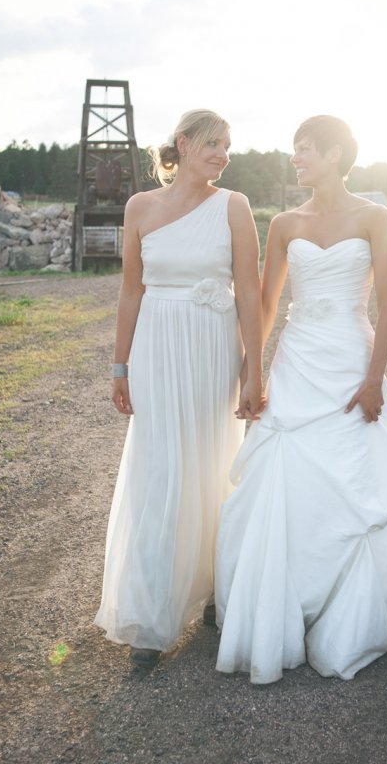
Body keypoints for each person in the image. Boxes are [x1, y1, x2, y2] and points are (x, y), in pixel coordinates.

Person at [214, 115, 387, 684]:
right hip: (300, 359)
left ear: (334, 154)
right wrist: (252, 374)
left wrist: (374, 378)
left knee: (355, 479)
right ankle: (282, 598)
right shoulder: (283, 224)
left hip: (352, 362)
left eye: (305, 150)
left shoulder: (375, 217)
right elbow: (262, 307)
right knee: (283, 469)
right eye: (295, 150)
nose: (296, 159)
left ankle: (362, 597)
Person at [94, 109, 263, 666]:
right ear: (184, 145)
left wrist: (253, 368)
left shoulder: (234, 207)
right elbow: (129, 292)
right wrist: (120, 366)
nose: (222, 155)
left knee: (213, 461)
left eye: (229, 147)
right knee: (162, 467)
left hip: (213, 348)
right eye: (213, 144)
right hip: (156, 349)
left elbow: (249, 294)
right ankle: (153, 615)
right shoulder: (139, 207)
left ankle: (218, 589)